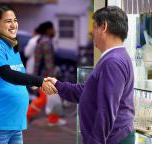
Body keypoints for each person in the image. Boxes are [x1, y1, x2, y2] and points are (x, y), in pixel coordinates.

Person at [45, 6, 135, 144]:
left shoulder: (112, 62)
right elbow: (86, 91)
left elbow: (106, 111)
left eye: (94, 27)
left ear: (104, 26)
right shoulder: (113, 58)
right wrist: (58, 85)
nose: (91, 32)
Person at [0, 5, 56, 144]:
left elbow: (18, 76)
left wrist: (34, 85)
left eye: (15, 20)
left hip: (15, 125)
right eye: (8, 21)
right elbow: (7, 74)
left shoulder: (11, 46)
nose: (14, 25)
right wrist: (39, 81)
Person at [27, 21, 66, 126]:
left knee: (47, 99)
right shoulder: (46, 42)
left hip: (40, 75)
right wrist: (52, 78)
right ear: (48, 30)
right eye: (53, 28)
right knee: (47, 99)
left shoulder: (41, 40)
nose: (54, 31)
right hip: (45, 76)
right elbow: (49, 62)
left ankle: (52, 119)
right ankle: (26, 116)